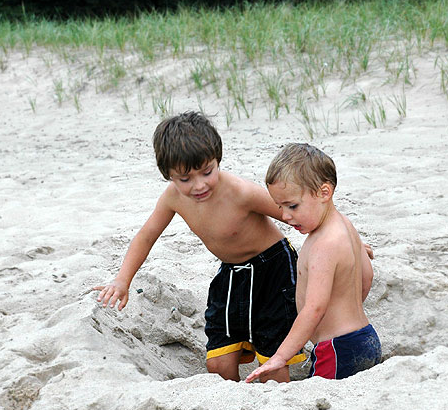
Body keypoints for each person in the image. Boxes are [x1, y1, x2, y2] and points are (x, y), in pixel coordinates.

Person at [94, 111, 306, 382]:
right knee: (218, 363)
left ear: (218, 160)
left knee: (272, 358)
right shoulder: (172, 198)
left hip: (273, 268)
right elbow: (146, 236)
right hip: (232, 273)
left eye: (207, 172)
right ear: (168, 175)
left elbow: (292, 214)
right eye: (185, 179)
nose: (199, 185)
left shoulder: (240, 192)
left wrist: (338, 239)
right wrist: (123, 280)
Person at [246, 143, 380, 382]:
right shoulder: (345, 225)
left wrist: (280, 357)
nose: (285, 216)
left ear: (324, 193)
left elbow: (314, 308)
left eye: (292, 206)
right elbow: (366, 276)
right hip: (364, 338)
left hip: (338, 348)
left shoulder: (323, 244)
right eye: (280, 207)